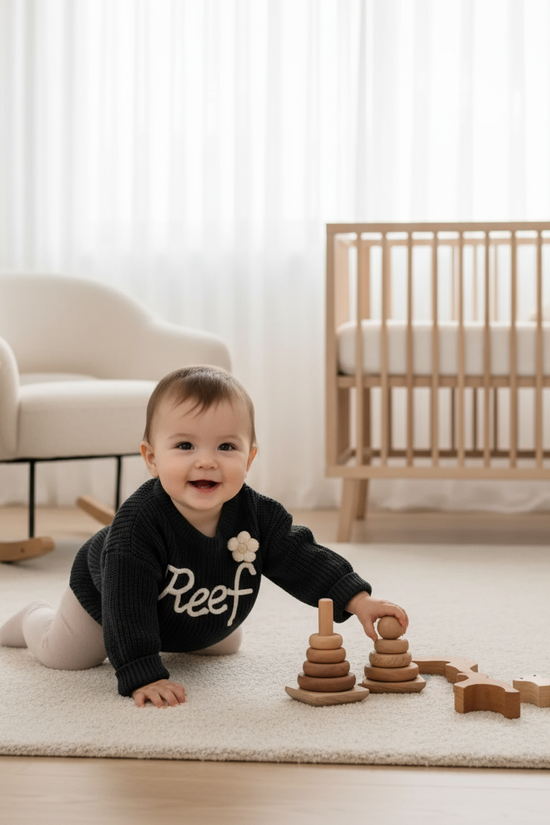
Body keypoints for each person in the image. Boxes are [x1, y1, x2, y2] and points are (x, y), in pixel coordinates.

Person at [0, 365, 408, 708]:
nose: (207, 461)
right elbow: (127, 603)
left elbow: (300, 555)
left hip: (190, 611)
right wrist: (142, 671)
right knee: (66, 656)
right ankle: (30, 619)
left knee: (225, 643)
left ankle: (190, 629)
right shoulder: (137, 527)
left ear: (249, 458)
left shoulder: (257, 514)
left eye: (226, 446)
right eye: (185, 445)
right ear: (152, 458)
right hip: (106, 595)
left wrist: (358, 599)